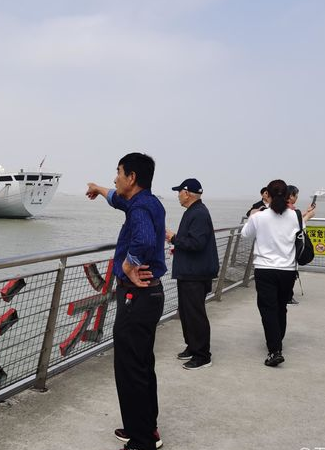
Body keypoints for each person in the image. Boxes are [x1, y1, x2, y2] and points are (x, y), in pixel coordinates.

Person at [86, 152, 166, 450]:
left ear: (131, 177)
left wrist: (129, 265)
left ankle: (142, 440)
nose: (115, 178)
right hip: (149, 295)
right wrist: (98, 189)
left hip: (137, 295)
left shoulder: (140, 208)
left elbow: (143, 240)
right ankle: (144, 427)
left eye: (118, 172)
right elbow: (117, 199)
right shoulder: (147, 201)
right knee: (141, 363)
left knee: (131, 367)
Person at [241, 179, 301, 367]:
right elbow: (300, 236)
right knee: (281, 307)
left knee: (268, 309)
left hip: (265, 269)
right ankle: (277, 341)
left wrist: (252, 215)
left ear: (267, 194)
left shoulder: (259, 217)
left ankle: (275, 350)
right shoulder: (295, 216)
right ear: (287, 195)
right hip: (288, 270)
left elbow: (245, 234)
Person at [165, 178, 219, 370]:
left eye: (179, 192)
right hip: (189, 272)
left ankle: (202, 355)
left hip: (196, 274)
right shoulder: (194, 212)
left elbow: (196, 243)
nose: (178, 195)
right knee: (187, 313)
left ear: (187, 193)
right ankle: (192, 347)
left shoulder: (199, 213)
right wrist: (177, 243)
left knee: (195, 314)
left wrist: (174, 238)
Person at [285, 185, 316, 304]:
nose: (297, 197)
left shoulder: (286, 209)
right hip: (290, 248)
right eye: (296, 195)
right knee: (290, 272)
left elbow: (295, 219)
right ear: (290, 196)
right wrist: (308, 216)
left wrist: (306, 212)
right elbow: (296, 225)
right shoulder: (289, 210)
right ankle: (288, 297)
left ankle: (286, 295)